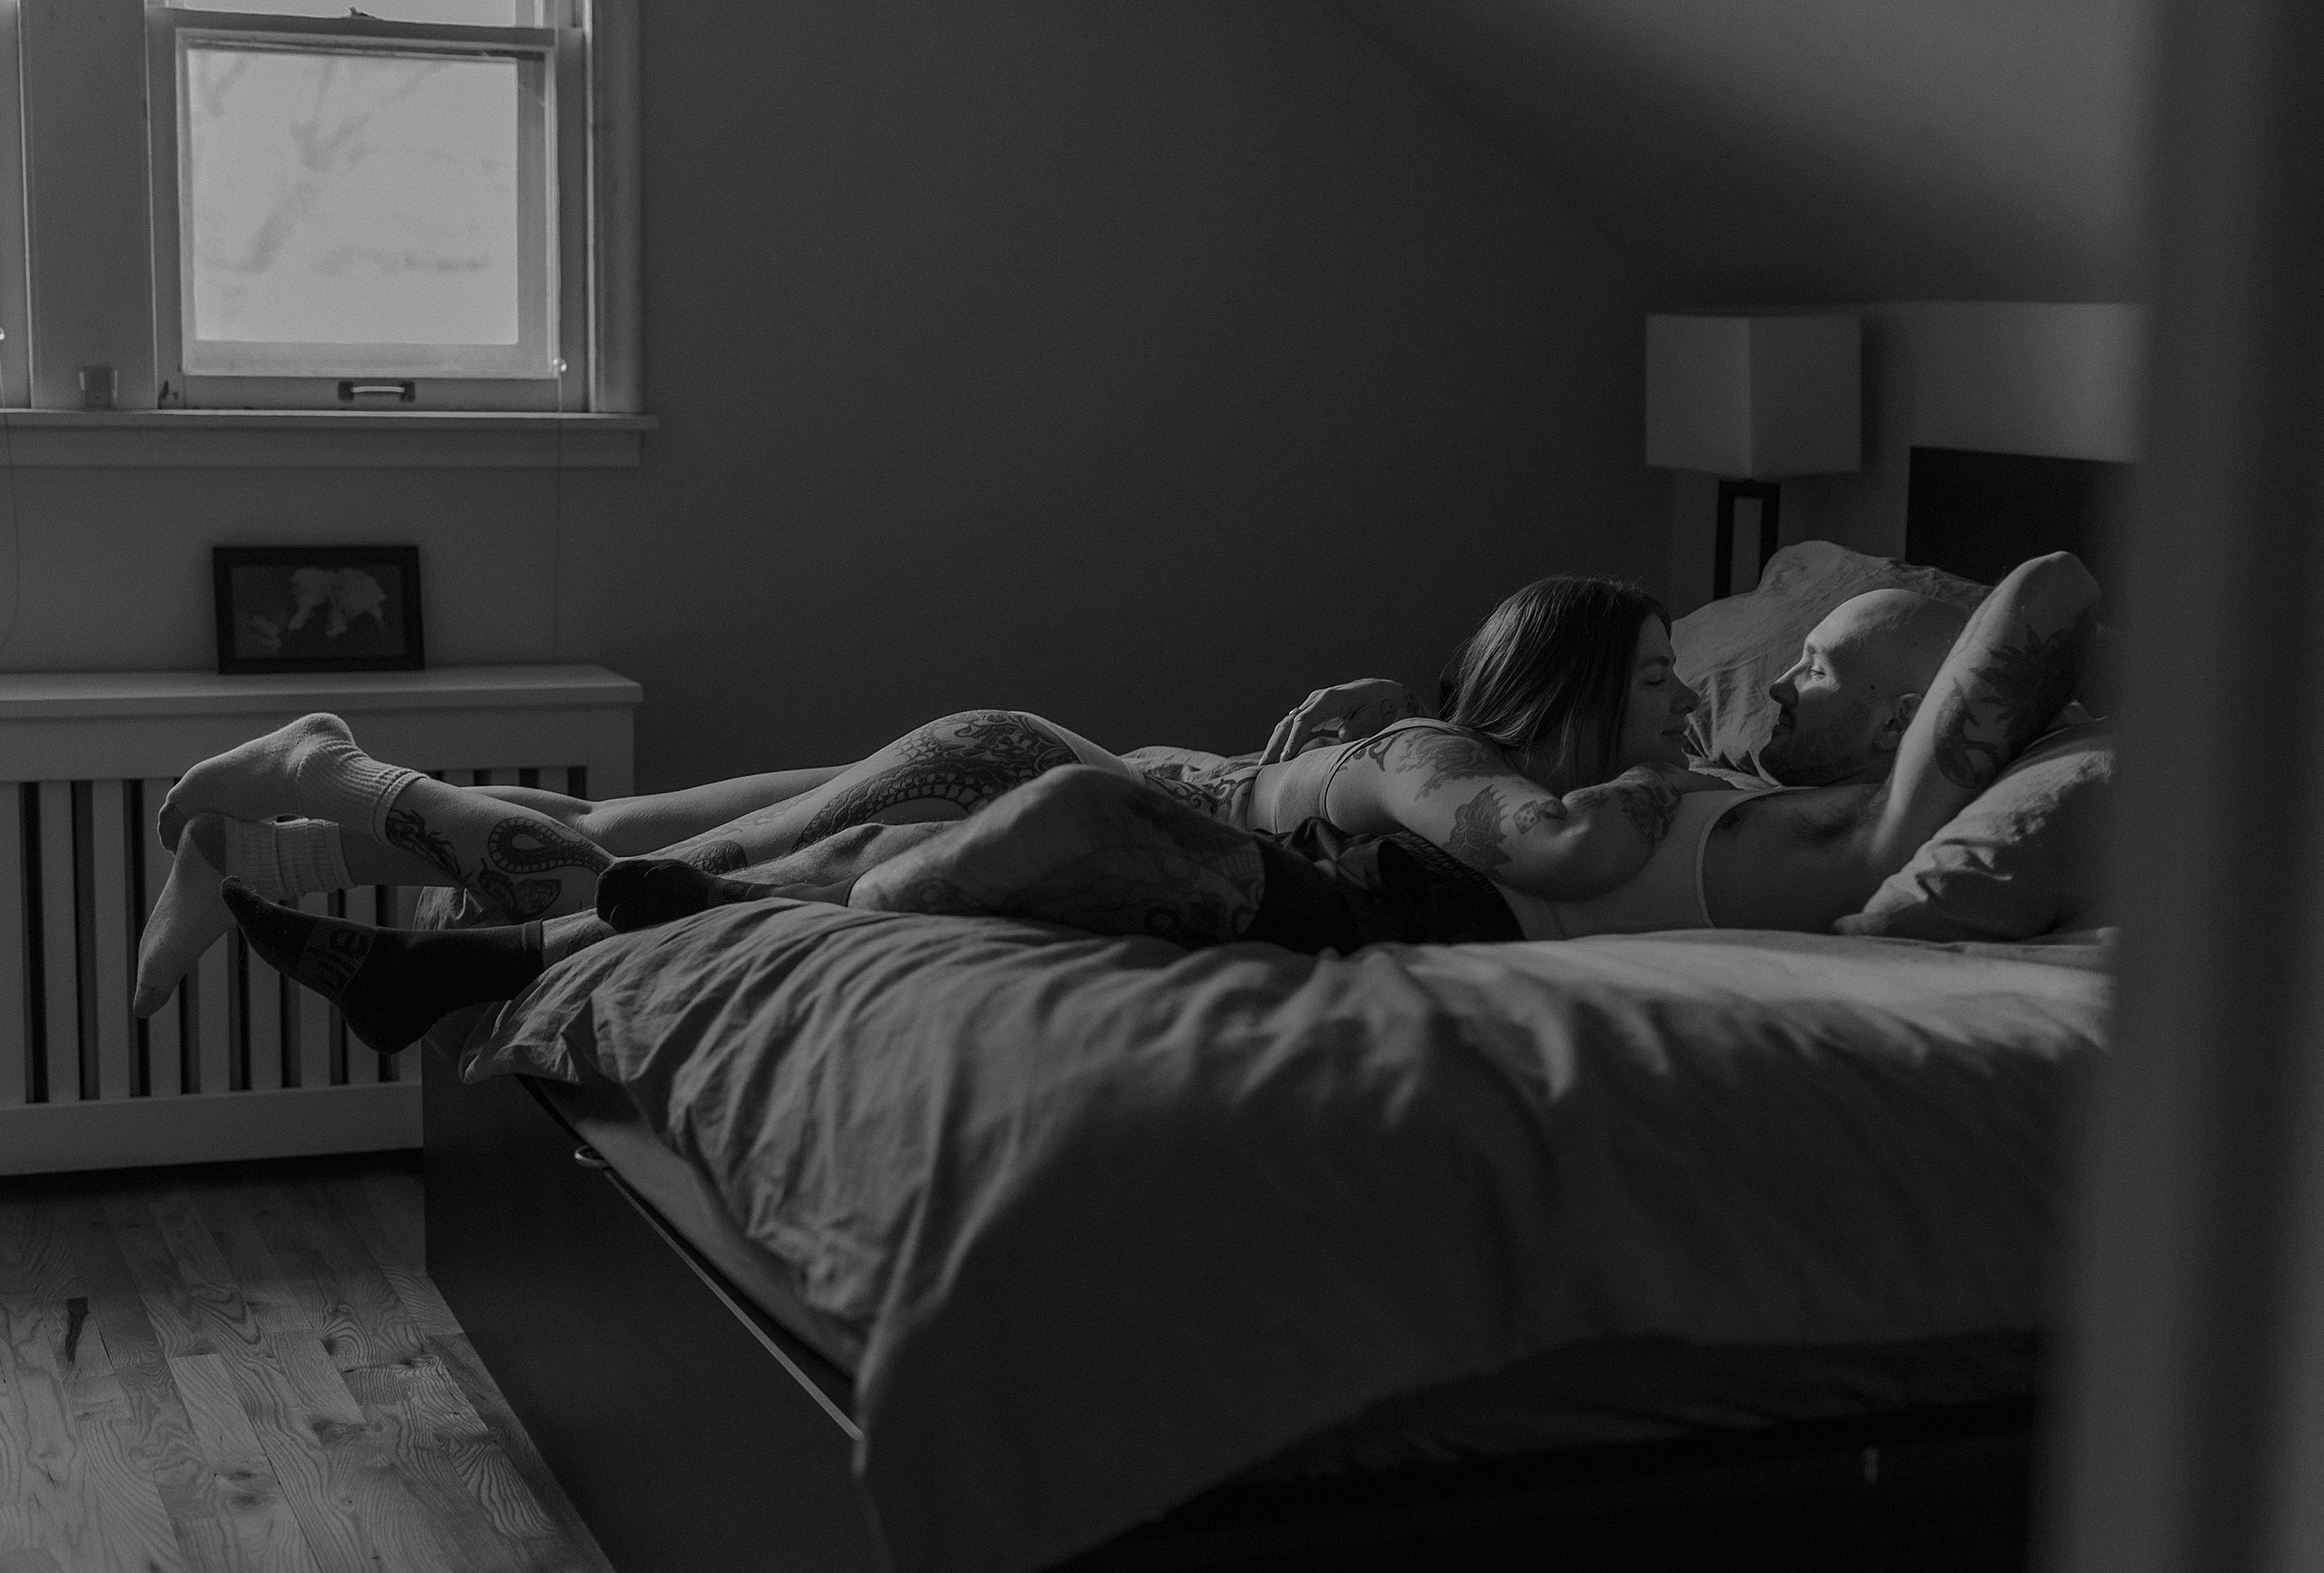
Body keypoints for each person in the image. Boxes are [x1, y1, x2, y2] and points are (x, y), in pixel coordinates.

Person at [201, 552, 2098, 1055]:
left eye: (1831, 667)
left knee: (998, 799)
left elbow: (2035, 609)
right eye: (1781, 653)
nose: (1780, 680)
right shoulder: (1672, 766)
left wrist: (1420, 777)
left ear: (1914, 714)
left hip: (1316, 865)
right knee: (873, 810)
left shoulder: (1797, 831)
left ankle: (441, 873)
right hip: (1296, 818)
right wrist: (1363, 755)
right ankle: (414, 838)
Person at [133, 575, 1700, 1019]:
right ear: (1551, 687)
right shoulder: (1452, 765)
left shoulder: (1407, 742)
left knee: (629, 843)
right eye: (1653, 685)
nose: (1685, 712)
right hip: (1031, 763)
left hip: (1045, 757)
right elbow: (1526, 833)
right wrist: (1667, 780)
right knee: (673, 864)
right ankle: (333, 777)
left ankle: (276, 840)